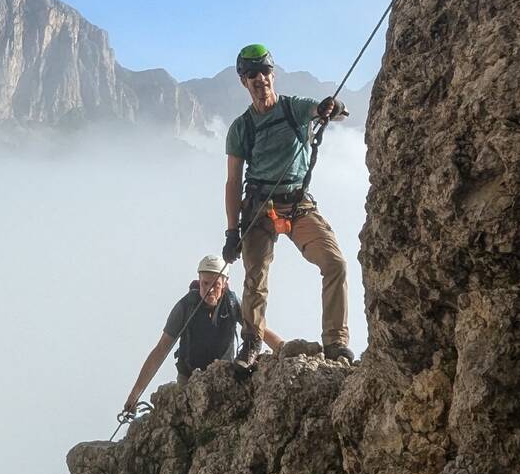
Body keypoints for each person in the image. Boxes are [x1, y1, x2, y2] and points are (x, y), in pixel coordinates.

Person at [221, 43, 354, 368]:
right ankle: (252, 342)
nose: (259, 79)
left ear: (272, 74)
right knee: (255, 278)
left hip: (297, 203)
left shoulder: (294, 108)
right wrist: (231, 230)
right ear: (244, 81)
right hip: (259, 206)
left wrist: (330, 107)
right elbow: (233, 181)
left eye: (264, 72)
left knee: (334, 263)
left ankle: (335, 342)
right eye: (251, 74)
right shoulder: (242, 128)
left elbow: (328, 110)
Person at [122, 254, 285, 414]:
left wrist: (284, 348)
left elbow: (259, 331)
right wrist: (135, 394)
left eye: (216, 285)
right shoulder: (185, 307)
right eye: (205, 283)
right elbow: (161, 350)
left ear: (225, 284)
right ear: (199, 281)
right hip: (189, 380)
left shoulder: (232, 303)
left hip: (224, 377)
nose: (209, 290)